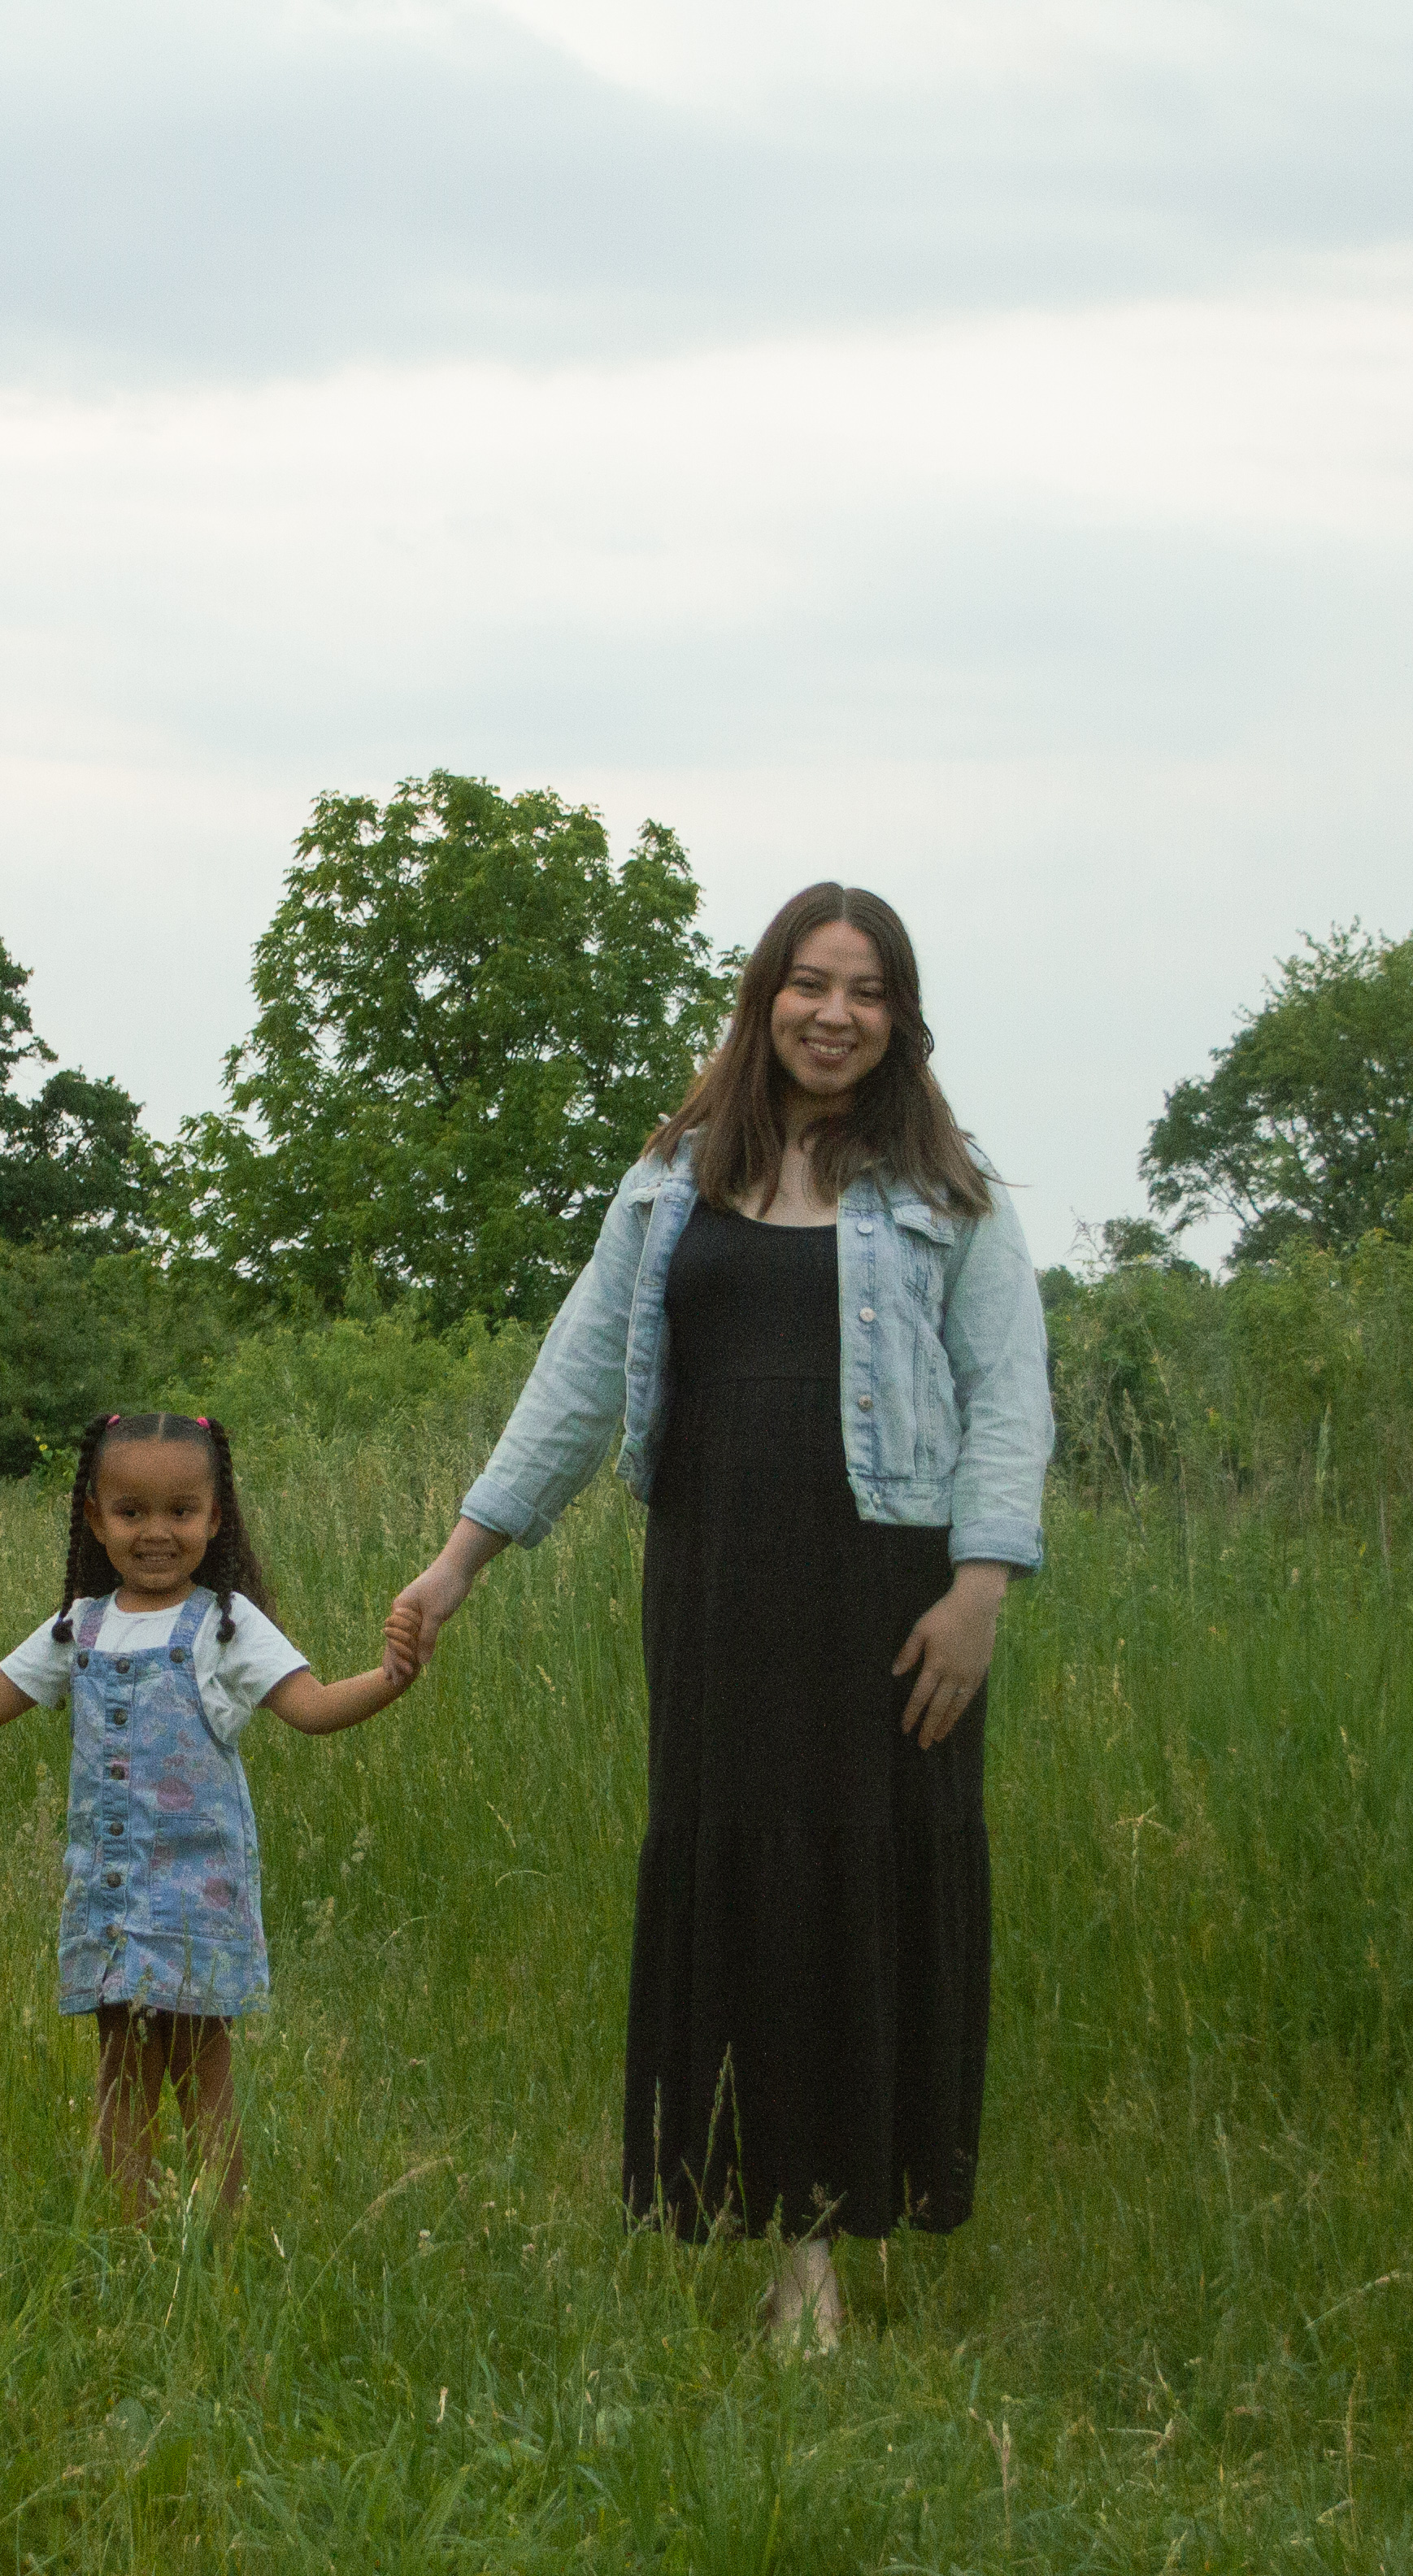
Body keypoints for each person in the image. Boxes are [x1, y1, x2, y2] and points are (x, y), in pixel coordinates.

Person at [385, 883, 1051, 2352]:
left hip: (890, 1593)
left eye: (865, 989)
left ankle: (823, 2242)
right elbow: (571, 1380)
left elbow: (1009, 1393)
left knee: (854, 1889)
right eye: (806, 983)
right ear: (761, 1001)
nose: (832, 1012)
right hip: (716, 1582)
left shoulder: (950, 1185)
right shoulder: (673, 1177)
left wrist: (980, 1589)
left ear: (900, 1017)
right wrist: (456, 1562)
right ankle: (772, 2234)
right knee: (744, 1880)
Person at [0, 1412, 417, 2223]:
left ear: (217, 1518)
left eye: (181, 1511)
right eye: (131, 1511)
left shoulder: (227, 1624)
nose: (156, 1532)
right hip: (107, 1891)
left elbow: (314, 1709)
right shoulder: (80, 1625)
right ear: (94, 1516)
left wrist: (392, 1676)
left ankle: (225, 2233)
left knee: (199, 2058)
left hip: (198, 1894)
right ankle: (132, 2235)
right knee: (119, 2060)